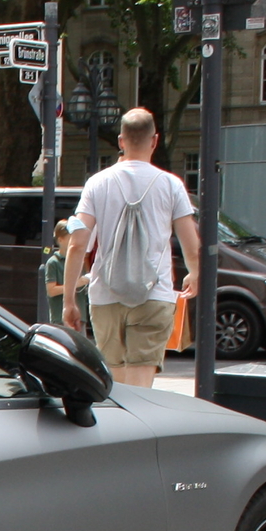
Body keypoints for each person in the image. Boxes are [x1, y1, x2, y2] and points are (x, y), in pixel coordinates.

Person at [60, 108, 201, 388]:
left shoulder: (97, 183)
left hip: (105, 294)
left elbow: (77, 243)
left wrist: (68, 301)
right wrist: (194, 273)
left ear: (121, 141)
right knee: (141, 385)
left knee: (115, 381)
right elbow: (191, 243)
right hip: (154, 292)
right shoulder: (172, 185)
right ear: (154, 140)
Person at [41, 219, 86, 330]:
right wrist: (77, 283)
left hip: (80, 317)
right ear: (60, 240)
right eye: (71, 237)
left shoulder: (80, 261)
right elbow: (51, 290)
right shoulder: (53, 262)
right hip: (60, 318)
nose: (75, 241)